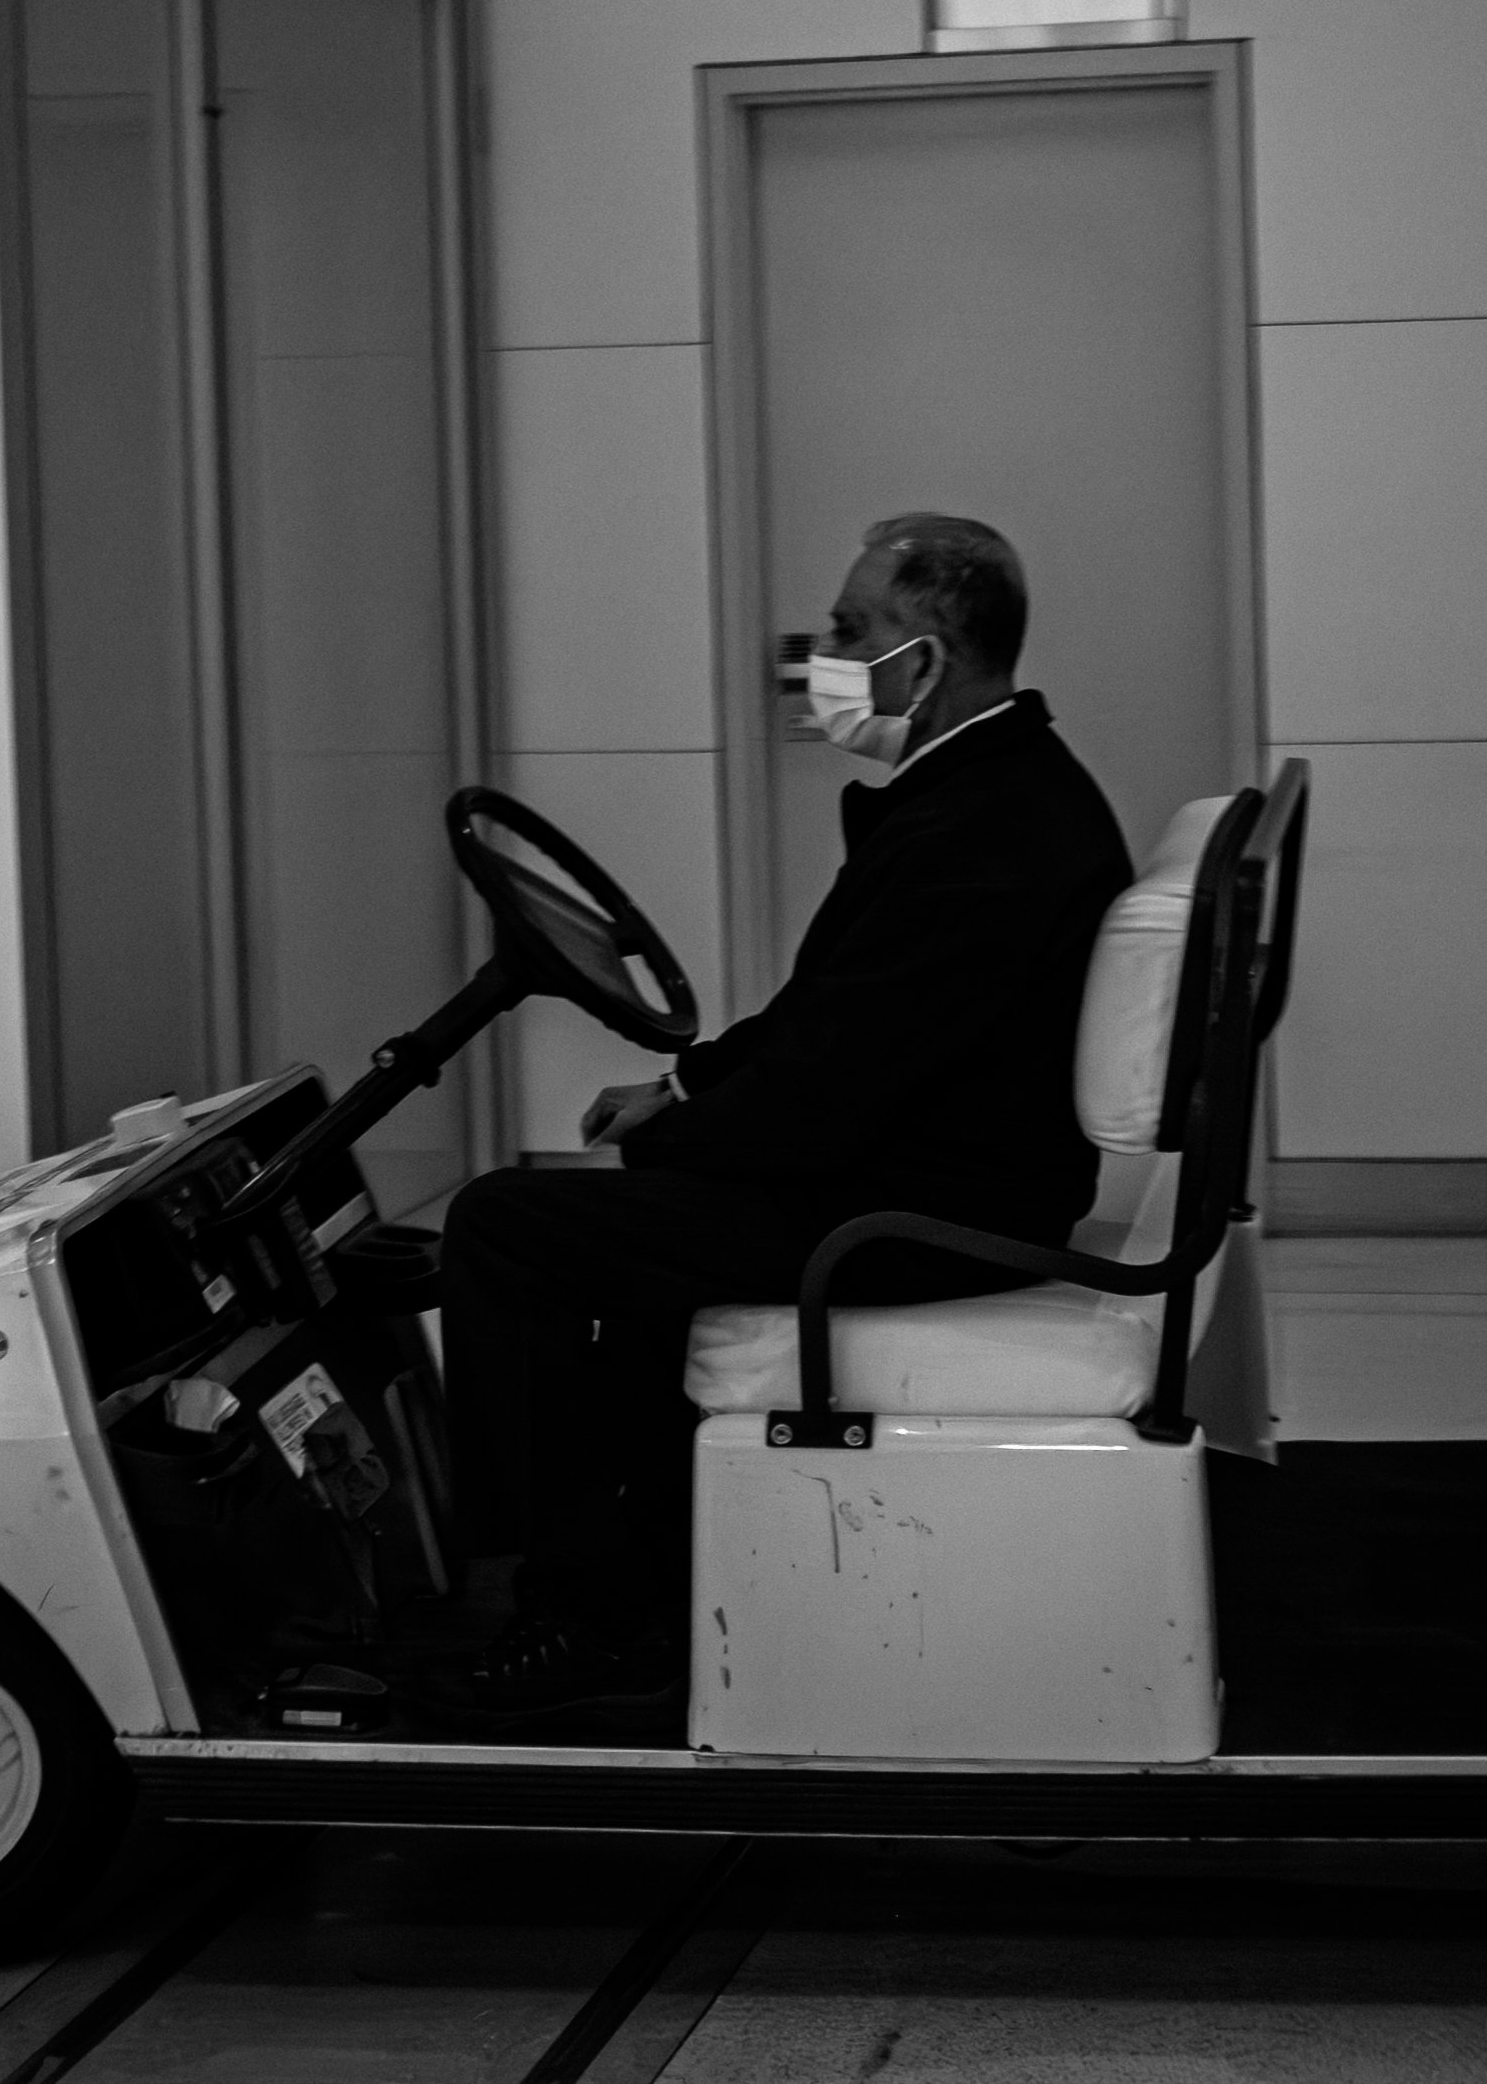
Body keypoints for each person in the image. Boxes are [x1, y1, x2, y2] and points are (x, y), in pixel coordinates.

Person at [427, 513, 1132, 1733]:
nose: (827, 655)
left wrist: (665, 1143)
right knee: (614, 1235)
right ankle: (631, 1567)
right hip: (928, 1162)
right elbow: (833, 1020)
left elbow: (830, 1092)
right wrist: (691, 1087)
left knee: (505, 1227)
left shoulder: (985, 828)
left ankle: (568, 1604)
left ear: (930, 652)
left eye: (852, 630)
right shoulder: (981, 791)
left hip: (930, 1205)